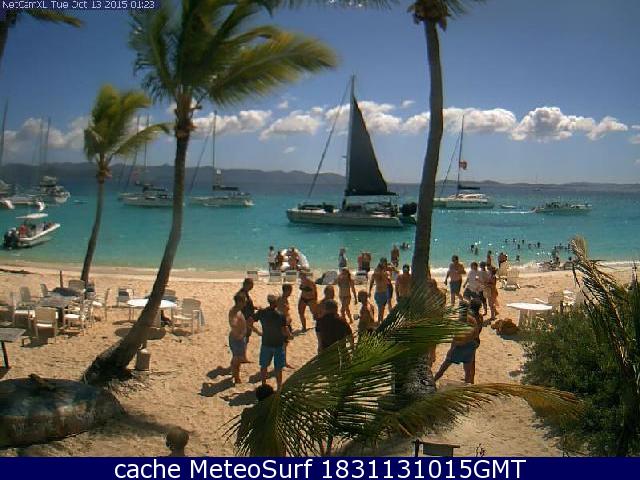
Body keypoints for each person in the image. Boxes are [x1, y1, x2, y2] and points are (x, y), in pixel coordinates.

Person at [433, 299, 483, 384]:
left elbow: (455, 339)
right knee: (467, 371)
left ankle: (433, 381)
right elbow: (476, 334)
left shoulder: (460, 320)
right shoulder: (473, 319)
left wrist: (454, 347)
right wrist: (469, 341)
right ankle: (467, 387)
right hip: (470, 346)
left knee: (443, 367)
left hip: (459, 347)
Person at [254, 294, 291, 391]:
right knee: (278, 368)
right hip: (278, 343)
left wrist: (257, 332)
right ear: (276, 303)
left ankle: (263, 384)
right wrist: (289, 335)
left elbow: (250, 320)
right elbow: (284, 330)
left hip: (266, 342)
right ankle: (279, 387)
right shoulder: (280, 315)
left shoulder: (262, 312)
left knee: (264, 366)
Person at [228, 293, 248, 385]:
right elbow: (233, 321)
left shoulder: (238, 311)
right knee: (237, 359)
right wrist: (234, 323)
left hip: (240, 338)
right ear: (240, 302)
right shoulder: (234, 312)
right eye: (244, 301)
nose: (245, 303)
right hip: (237, 339)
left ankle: (235, 374)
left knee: (238, 359)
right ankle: (236, 378)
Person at [236, 278, 256, 362]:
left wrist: (254, 307)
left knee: (246, 338)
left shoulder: (245, 293)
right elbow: (240, 307)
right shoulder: (241, 295)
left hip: (247, 318)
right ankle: (241, 356)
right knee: (243, 338)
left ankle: (243, 356)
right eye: (251, 285)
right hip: (244, 319)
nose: (252, 287)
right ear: (247, 285)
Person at [277, 283, 294, 368]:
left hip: (287, 324)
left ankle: (284, 361)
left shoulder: (285, 299)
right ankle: (282, 362)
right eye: (290, 290)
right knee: (282, 345)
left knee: (285, 344)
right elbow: (281, 314)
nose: (291, 292)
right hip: (283, 325)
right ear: (286, 290)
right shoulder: (281, 300)